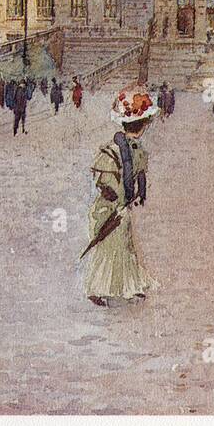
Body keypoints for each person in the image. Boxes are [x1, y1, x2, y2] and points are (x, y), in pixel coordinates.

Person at [83, 87, 160, 305]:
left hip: (122, 207)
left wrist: (138, 192)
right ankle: (96, 289)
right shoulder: (111, 150)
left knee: (125, 246)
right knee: (108, 249)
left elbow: (140, 173)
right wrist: (114, 201)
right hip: (108, 209)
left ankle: (129, 286)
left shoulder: (136, 149)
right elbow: (104, 183)